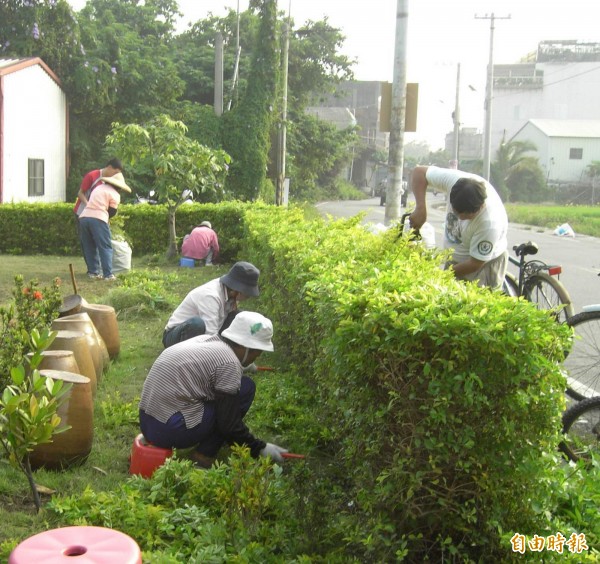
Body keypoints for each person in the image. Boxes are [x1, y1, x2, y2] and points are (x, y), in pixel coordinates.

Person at [139, 311, 288, 468]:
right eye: (257, 353)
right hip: (169, 431)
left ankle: (204, 442)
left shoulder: (205, 340)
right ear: (246, 347)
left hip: (148, 422)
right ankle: (204, 455)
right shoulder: (228, 362)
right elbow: (229, 424)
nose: (256, 358)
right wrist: (259, 448)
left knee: (240, 388)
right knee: (244, 391)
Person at [409, 165, 508, 289]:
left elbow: (475, 264)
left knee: (476, 306)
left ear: (481, 206)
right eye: (457, 212)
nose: (460, 218)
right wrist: (420, 207)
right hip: (454, 261)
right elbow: (419, 172)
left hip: (483, 266)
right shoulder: (455, 182)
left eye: (467, 215)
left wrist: (441, 275)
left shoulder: (490, 223)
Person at [162, 261, 260, 348]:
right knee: (197, 324)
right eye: (247, 294)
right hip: (175, 335)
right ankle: (187, 357)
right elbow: (210, 335)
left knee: (236, 317)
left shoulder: (229, 294)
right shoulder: (210, 296)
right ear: (236, 290)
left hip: (203, 333)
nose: (248, 297)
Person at [79, 172, 131, 281]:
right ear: (119, 187)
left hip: (84, 217)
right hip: (98, 219)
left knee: (89, 246)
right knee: (105, 247)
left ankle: (93, 272)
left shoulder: (98, 188)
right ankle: (108, 274)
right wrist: (106, 218)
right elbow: (112, 211)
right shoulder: (115, 194)